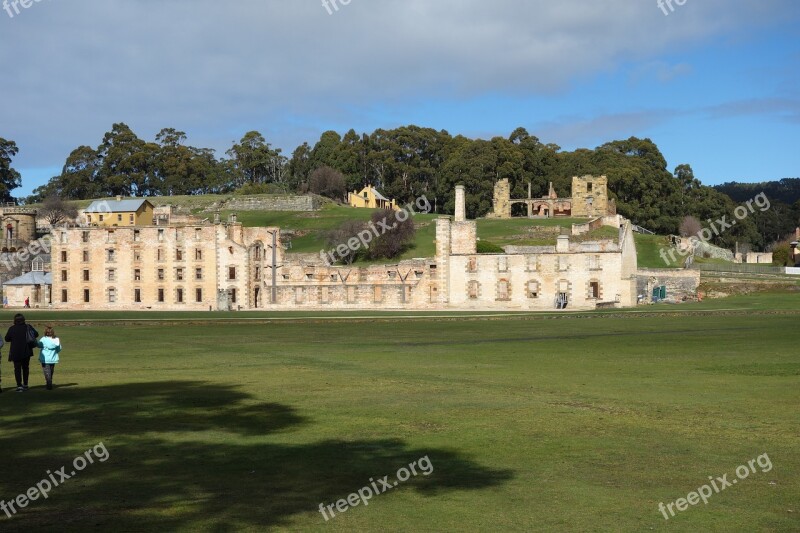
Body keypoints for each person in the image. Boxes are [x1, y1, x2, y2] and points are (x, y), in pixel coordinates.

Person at [5, 314, 38, 392]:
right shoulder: (28, 327)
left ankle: (19, 385)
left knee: (17, 369)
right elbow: (36, 334)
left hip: (15, 351)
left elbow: (7, 339)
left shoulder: (12, 328)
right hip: (26, 350)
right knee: (25, 368)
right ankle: (25, 384)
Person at [37, 326, 61, 390]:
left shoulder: (43, 339)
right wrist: (55, 351)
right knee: (51, 371)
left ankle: (49, 384)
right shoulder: (56, 339)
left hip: (45, 358)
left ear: (45, 332)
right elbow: (59, 348)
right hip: (53, 358)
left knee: (47, 372)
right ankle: (49, 383)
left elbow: (39, 345)